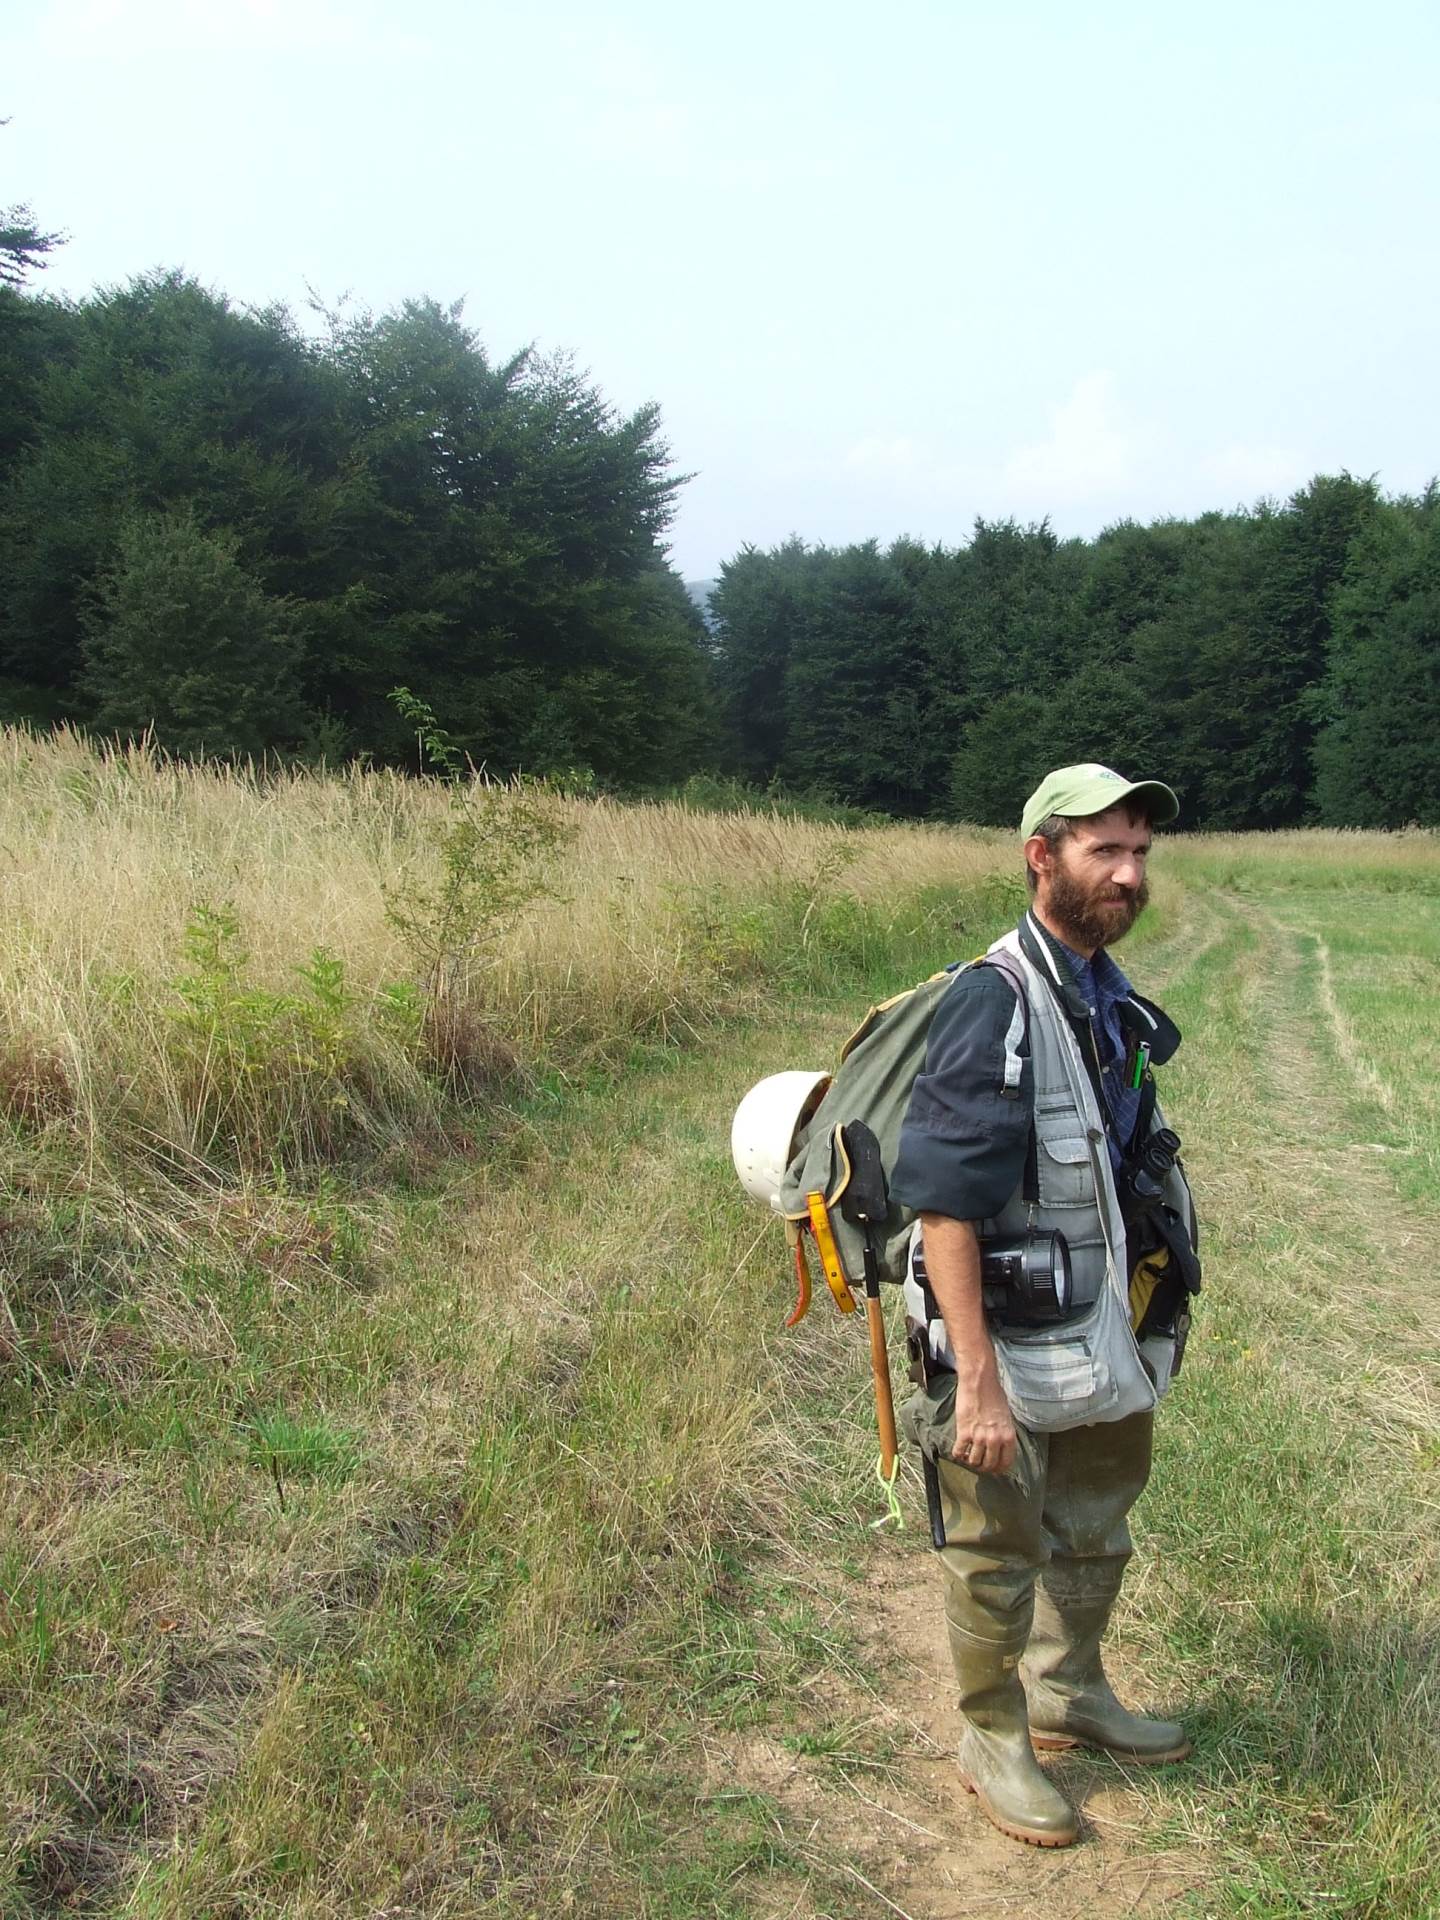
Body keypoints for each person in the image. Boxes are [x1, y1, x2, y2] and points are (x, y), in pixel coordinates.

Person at [892, 763, 1199, 1849]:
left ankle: (1073, 1691)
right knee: (994, 1549)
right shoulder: (995, 1001)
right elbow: (942, 1209)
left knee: (1095, 1522)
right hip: (998, 1345)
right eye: (1102, 852)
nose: (1128, 874)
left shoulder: (1102, 992)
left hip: (1096, 1327)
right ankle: (993, 1737)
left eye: (1140, 854)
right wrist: (973, 1379)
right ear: (1041, 858)